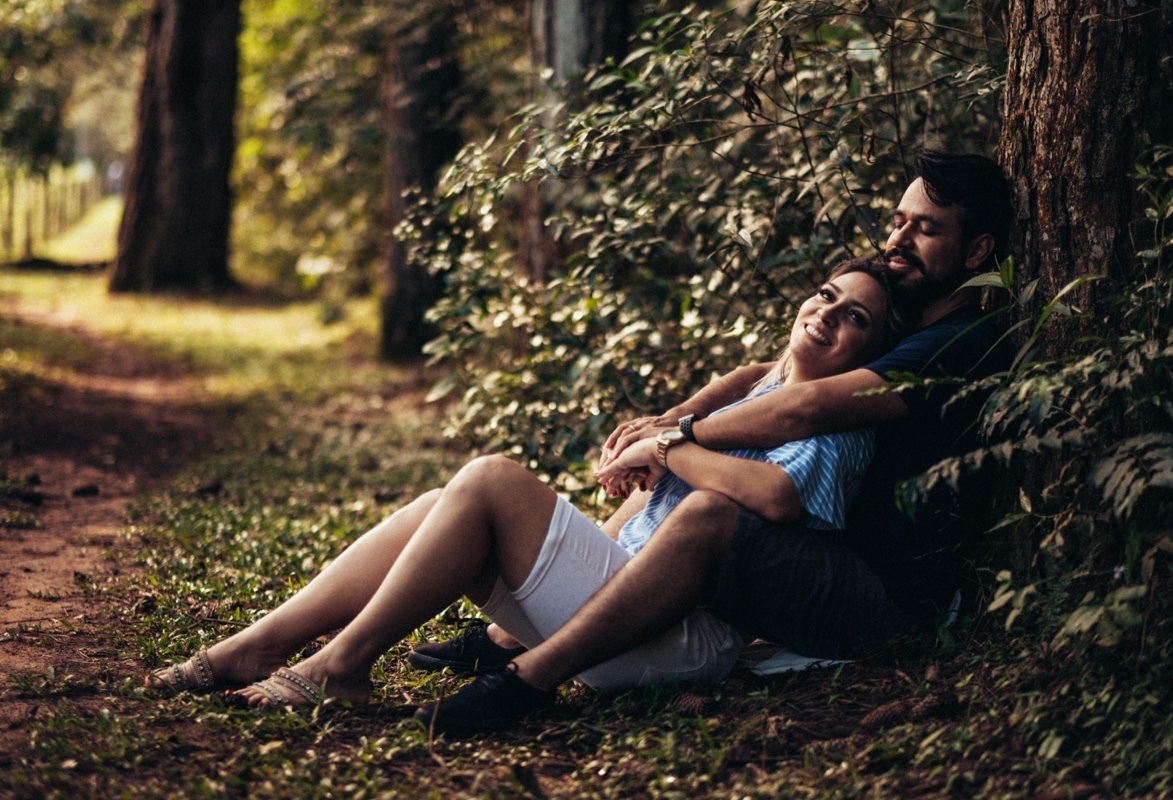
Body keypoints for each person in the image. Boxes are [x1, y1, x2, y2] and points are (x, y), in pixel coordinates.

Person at [411, 149, 1013, 736]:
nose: (899, 240)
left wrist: (675, 438)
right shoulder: (917, 322)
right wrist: (675, 418)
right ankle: (514, 634)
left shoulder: (961, 339)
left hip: (882, 603)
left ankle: (528, 680)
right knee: (672, 482)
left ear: (977, 251)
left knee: (708, 506)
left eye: (927, 229)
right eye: (899, 221)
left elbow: (803, 407)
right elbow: (767, 375)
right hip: (829, 561)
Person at [148, 260, 904, 724]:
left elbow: (774, 499)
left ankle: (338, 667)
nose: (827, 315)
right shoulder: (757, 391)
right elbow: (658, 510)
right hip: (629, 614)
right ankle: (261, 645)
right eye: (825, 294)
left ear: (872, 353)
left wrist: (669, 448)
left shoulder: (838, 422)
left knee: (490, 478)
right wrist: (653, 460)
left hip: (680, 641)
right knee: (442, 506)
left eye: (855, 319)